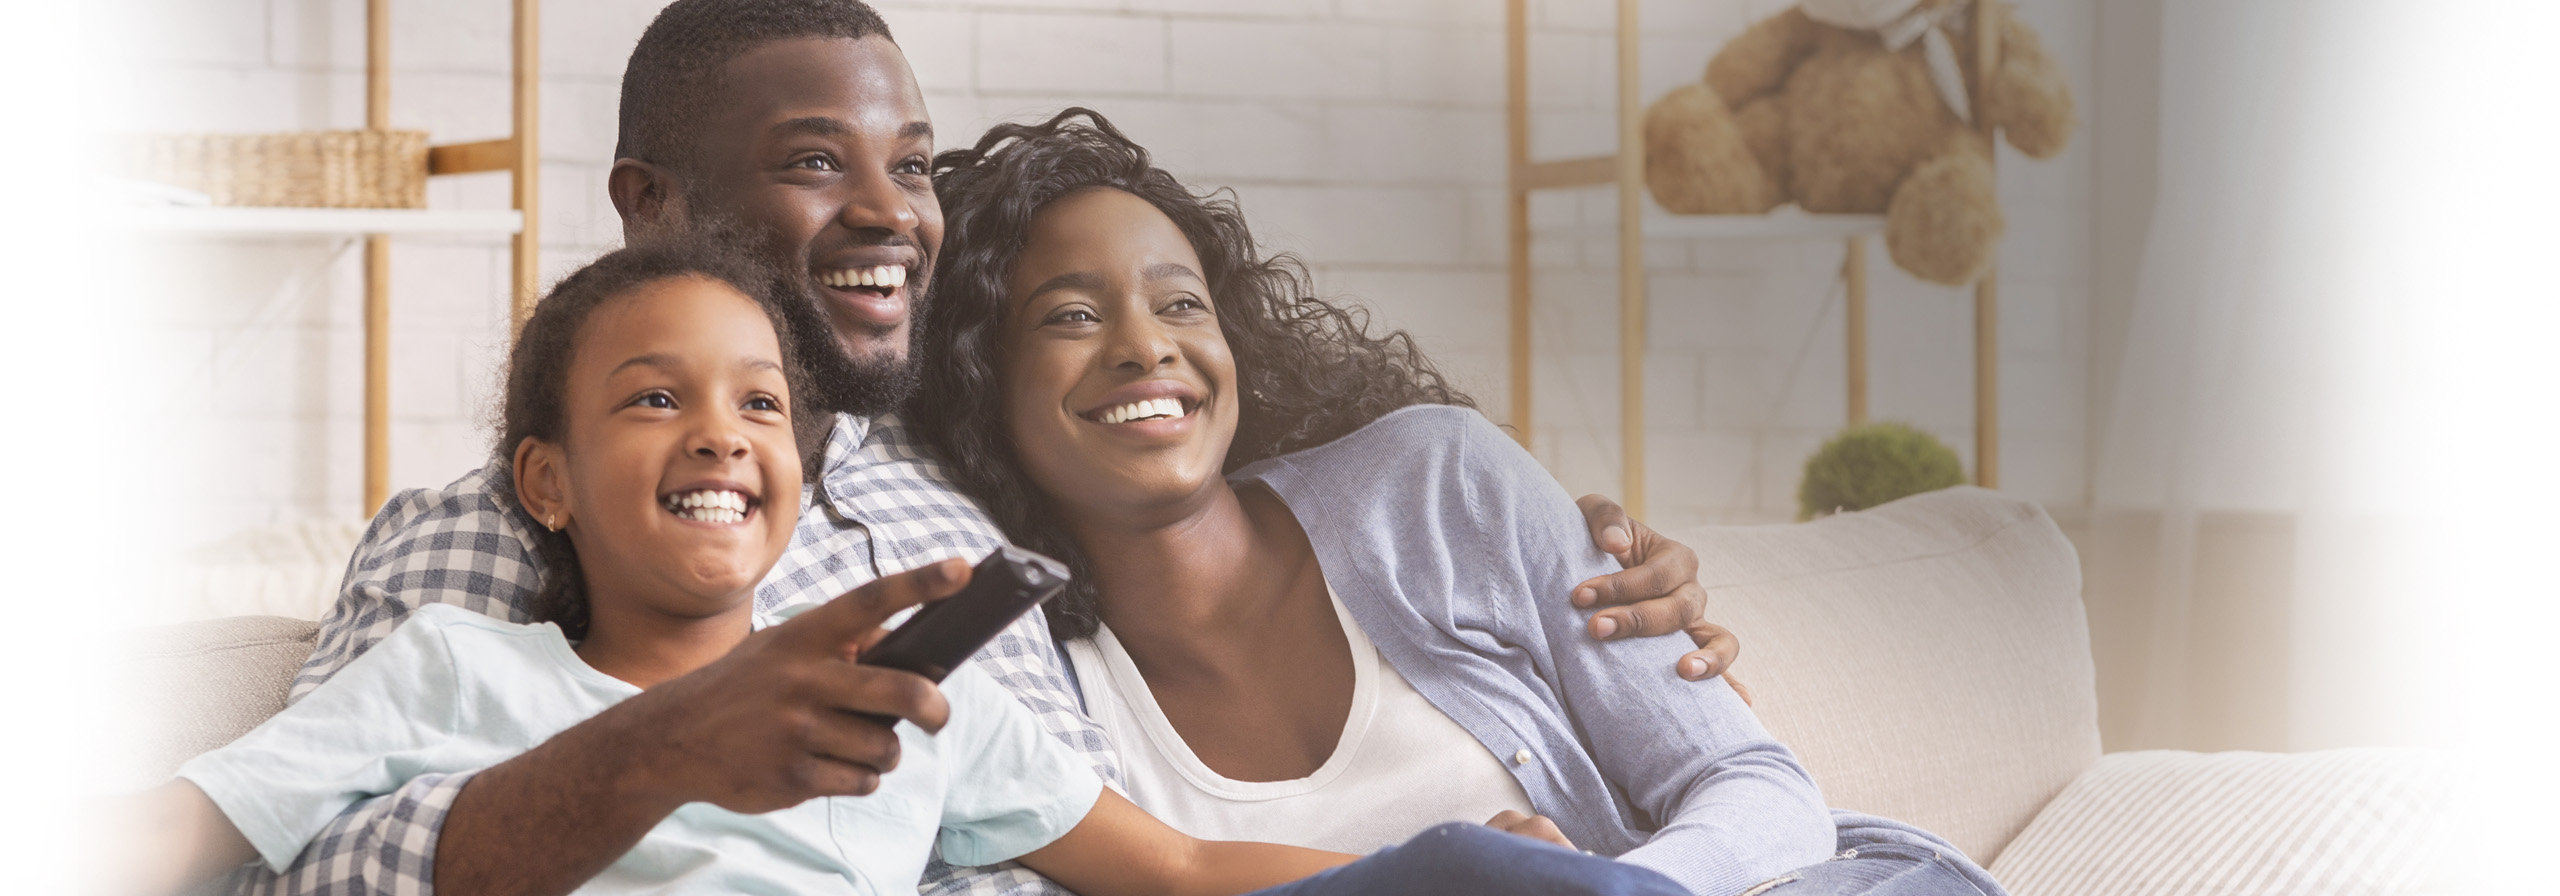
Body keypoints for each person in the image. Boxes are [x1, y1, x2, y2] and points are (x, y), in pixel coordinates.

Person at [131, 2, 1739, 895]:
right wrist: (667, 748)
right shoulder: (491, 546)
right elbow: (313, 873)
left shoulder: (970, 474)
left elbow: (1191, 471)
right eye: (818, 162)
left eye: (910, 164)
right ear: (651, 202)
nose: (895, 210)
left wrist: (1572, 565)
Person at [910, 108, 2008, 896]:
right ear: (976, 382)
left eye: (1180, 302)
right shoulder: (1047, 699)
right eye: (1068, 316)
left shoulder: (1435, 487)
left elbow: (1750, 779)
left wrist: (1606, 892)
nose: (1145, 346)